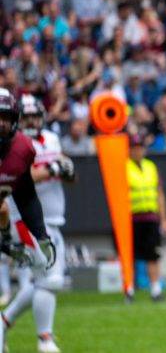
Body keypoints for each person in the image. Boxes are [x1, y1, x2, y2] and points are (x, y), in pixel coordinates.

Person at [2, 96, 74, 353]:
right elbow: (20, 175)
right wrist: (53, 168)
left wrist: (65, 169)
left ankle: (4, 321)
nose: (32, 121)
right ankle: (44, 338)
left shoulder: (51, 139)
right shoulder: (16, 144)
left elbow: (64, 171)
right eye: (28, 116)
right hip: (24, 219)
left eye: (36, 116)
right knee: (50, 280)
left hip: (52, 219)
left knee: (44, 281)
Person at [0, 88, 54, 350]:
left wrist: (40, 235)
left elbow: (25, 196)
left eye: (6, 117)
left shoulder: (22, 149)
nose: (1, 124)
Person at [126, 133, 166, 302]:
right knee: (130, 256)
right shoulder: (124, 167)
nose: (138, 151)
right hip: (132, 217)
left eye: (140, 147)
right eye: (134, 148)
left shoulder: (151, 166)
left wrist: (163, 218)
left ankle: (155, 289)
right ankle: (129, 289)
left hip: (150, 217)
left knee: (153, 254)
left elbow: (159, 194)